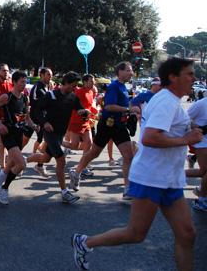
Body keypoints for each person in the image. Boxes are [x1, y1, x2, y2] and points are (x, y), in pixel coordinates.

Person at [72, 57, 203, 271]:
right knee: (135, 234)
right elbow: (149, 138)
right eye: (189, 74)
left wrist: (193, 130)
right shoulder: (166, 102)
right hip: (152, 177)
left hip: (170, 178)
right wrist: (186, 140)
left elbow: (172, 127)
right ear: (173, 77)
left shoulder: (170, 101)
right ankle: (85, 242)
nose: (195, 78)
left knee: (187, 234)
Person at [69, 62, 141, 200]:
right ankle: (76, 172)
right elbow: (109, 106)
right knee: (94, 153)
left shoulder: (123, 87)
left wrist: (130, 114)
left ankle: (127, 189)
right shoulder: (114, 86)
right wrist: (129, 110)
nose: (131, 73)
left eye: (131, 71)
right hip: (107, 125)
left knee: (128, 156)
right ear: (120, 72)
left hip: (120, 127)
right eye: (128, 71)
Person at [25, 72, 87, 204]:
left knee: (45, 159)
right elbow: (37, 110)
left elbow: (80, 108)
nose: (75, 88)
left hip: (60, 133)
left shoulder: (73, 98)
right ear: (67, 83)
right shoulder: (51, 95)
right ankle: (64, 192)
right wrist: (45, 123)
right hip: (50, 133)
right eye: (74, 85)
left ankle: (23, 160)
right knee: (61, 160)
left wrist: (83, 112)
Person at [0, 70, 38, 205]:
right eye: (21, 82)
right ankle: (4, 188)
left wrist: (34, 126)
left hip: (19, 134)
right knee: (20, 164)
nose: (24, 85)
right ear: (14, 82)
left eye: (25, 82)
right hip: (7, 134)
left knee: (10, 166)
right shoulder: (6, 97)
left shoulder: (26, 99)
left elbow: (27, 118)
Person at [61, 74, 98, 176]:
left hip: (86, 122)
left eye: (93, 81)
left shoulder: (91, 92)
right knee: (74, 145)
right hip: (76, 121)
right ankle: (58, 142)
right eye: (91, 81)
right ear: (85, 82)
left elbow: (90, 106)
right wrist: (80, 111)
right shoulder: (79, 92)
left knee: (89, 143)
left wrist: (95, 112)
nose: (93, 83)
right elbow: (70, 103)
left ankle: (84, 167)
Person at [28, 67, 53, 177]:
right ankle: (14, 160)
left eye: (51, 75)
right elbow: (32, 101)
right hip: (33, 119)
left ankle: (39, 164)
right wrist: (45, 100)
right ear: (42, 75)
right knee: (23, 141)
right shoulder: (37, 86)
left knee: (45, 140)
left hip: (43, 119)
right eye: (48, 74)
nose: (50, 77)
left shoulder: (47, 87)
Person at [185, 93, 207, 211]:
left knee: (203, 172)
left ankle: (174, 174)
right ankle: (201, 200)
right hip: (203, 142)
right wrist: (200, 127)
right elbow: (184, 120)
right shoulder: (201, 104)